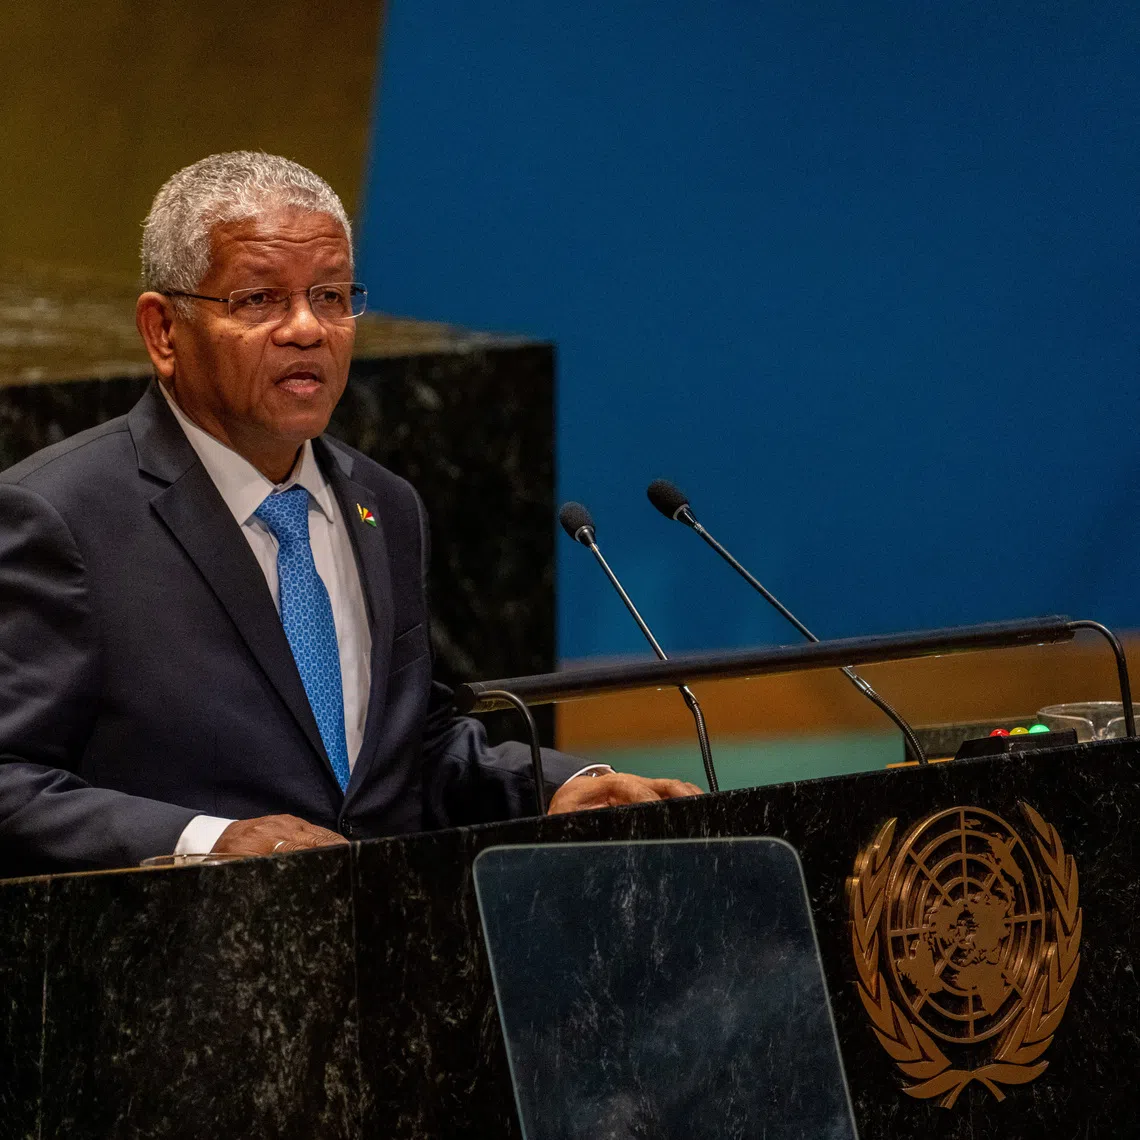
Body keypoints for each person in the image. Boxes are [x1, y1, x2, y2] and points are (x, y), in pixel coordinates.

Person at [0, 152, 700, 876]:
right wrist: (204, 841)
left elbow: (409, 753)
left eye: (331, 297)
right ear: (164, 332)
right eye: (259, 300)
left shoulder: (383, 504)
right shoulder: (60, 517)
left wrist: (561, 787)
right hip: (173, 966)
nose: (308, 329)